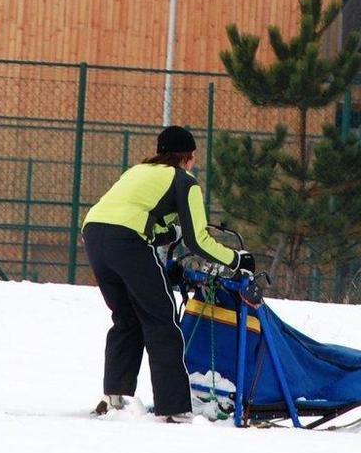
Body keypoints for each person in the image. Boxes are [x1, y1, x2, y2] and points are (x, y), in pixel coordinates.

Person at [82, 125, 252, 421]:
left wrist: (167, 231)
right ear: (189, 157)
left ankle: (115, 398)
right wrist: (236, 260)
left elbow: (136, 215)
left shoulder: (136, 172)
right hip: (128, 240)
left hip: (94, 234)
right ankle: (174, 408)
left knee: (126, 318)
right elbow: (197, 240)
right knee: (162, 320)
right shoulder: (184, 181)